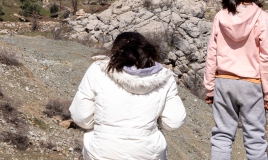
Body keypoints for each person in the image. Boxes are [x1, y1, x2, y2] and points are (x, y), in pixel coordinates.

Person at [204, 0, 268, 160]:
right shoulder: (263, 18)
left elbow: (212, 54)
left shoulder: (221, 16)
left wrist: (210, 87)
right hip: (251, 85)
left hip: (223, 82)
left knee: (221, 136)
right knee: (255, 140)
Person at [69, 32, 186, 160]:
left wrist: (103, 126)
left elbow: (80, 116)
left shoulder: (98, 69)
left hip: (102, 151)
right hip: (147, 153)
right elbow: (174, 122)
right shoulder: (164, 77)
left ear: (115, 49)